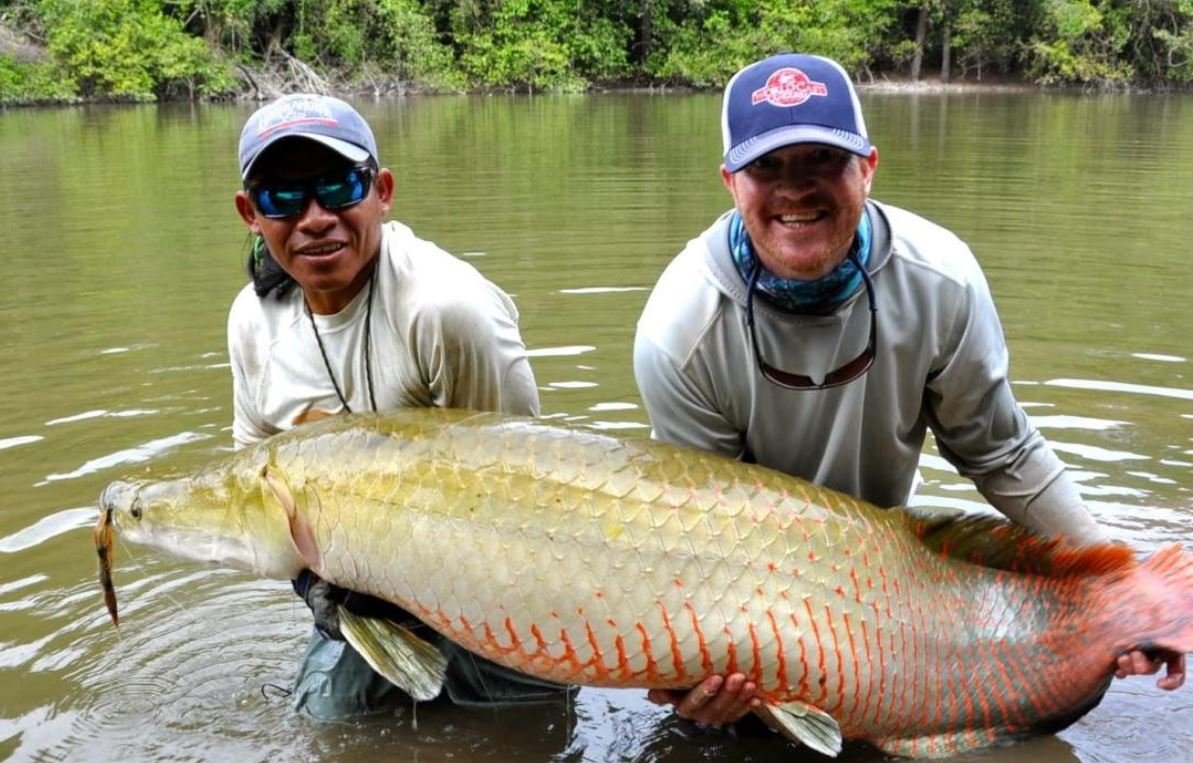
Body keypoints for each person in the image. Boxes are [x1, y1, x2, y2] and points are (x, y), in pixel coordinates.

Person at [632, 53, 1186, 727]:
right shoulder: (678, 328)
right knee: (719, 729)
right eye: (766, 167)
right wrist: (687, 669)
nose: (794, 190)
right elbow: (702, 528)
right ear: (730, 182)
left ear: (867, 166)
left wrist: (1122, 584)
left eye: (821, 163)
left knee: (1069, 680)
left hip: (888, 570)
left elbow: (1000, 452)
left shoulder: (940, 280)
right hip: (755, 587)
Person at [229, 93, 569, 720]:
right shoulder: (253, 323)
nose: (314, 218)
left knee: (524, 738)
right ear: (251, 213)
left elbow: (527, 490)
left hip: (493, 587)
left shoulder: (447, 309)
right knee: (327, 726)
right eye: (283, 198)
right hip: (359, 599)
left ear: (381, 190)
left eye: (337, 187)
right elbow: (259, 490)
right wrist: (313, 587)